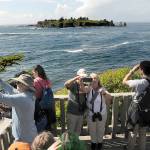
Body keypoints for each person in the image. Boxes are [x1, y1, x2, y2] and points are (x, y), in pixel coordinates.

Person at [0, 74, 37, 143]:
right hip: (29, 135)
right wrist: (1, 81)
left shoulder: (23, 98)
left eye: (18, 82)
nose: (16, 83)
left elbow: (2, 98)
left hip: (24, 138)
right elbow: (11, 90)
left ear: (24, 85)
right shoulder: (28, 94)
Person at [122, 61, 150, 150]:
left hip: (136, 112)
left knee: (133, 132)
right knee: (143, 133)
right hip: (147, 111)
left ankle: (130, 148)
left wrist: (132, 71)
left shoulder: (140, 82)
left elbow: (124, 81)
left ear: (141, 70)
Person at [86, 73, 112, 150]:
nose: (93, 80)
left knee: (101, 130)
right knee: (92, 130)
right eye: (91, 78)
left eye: (95, 78)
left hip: (102, 114)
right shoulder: (88, 89)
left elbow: (110, 98)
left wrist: (103, 93)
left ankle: (100, 143)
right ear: (89, 80)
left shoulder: (102, 89)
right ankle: (93, 143)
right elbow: (82, 90)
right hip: (91, 114)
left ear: (98, 80)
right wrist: (80, 80)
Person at [32, 65, 56, 132]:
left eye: (33, 73)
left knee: (42, 126)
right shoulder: (46, 79)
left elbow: (35, 94)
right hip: (49, 105)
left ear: (36, 72)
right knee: (49, 126)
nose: (33, 74)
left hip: (41, 106)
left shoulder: (36, 81)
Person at [64, 68, 87, 135]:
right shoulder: (73, 84)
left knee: (77, 132)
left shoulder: (86, 85)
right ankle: (70, 145)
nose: (82, 78)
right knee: (71, 132)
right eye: (81, 76)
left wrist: (82, 83)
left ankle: (75, 145)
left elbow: (84, 91)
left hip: (81, 113)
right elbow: (66, 84)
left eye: (83, 77)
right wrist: (76, 78)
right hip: (72, 113)